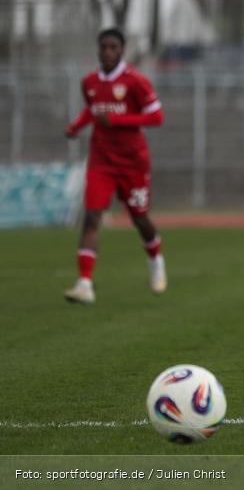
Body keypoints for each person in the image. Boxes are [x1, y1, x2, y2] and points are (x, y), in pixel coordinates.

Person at [63, 27, 167, 303]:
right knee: (91, 217)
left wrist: (118, 120)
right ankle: (85, 283)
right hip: (101, 161)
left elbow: (157, 117)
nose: (108, 52)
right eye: (104, 47)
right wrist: (76, 126)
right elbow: (93, 109)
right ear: (98, 50)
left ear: (122, 50)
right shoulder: (89, 82)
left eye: (113, 47)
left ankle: (156, 260)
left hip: (133, 163)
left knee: (139, 218)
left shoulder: (136, 81)